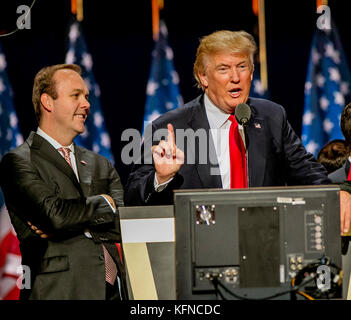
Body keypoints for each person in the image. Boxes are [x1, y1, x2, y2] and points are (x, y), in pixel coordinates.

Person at [124, 30, 351, 235]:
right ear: (203, 77)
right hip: (200, 245)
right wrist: (161, 178)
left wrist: (338, 193)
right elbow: (133, 197)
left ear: (251, 72)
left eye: (242, 66)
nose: (235, 77)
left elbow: (307, 173)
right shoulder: (169, 127)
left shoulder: (272, 116)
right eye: (223, 69)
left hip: (264, 243)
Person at [0, 64, 127, 300]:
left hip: (113, 293)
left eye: (87, 96)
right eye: (76, 95)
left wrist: (72, 216)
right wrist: (104, 203)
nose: (87, 104)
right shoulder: (18, 161)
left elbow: (123, 224)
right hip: (60, 291)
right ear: (48, 102)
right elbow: (55, 217)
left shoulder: (100, 163)